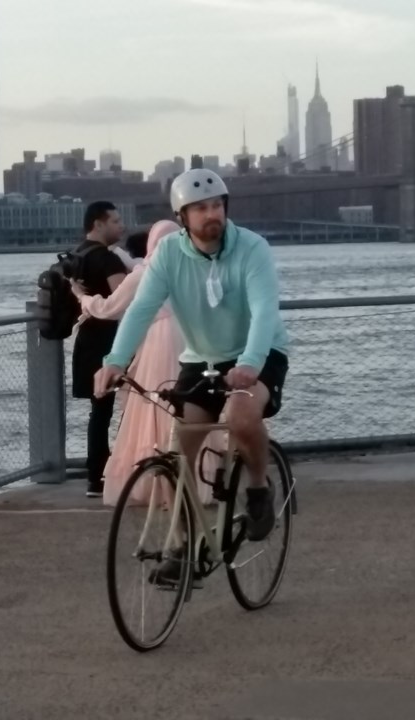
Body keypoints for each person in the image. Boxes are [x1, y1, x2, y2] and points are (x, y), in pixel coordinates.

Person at [94, 168, 290, 558]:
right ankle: (182, 547)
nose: (211, 214)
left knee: (240, 415)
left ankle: (257, 487)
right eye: (200, 208)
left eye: (217, 205)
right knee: (181, 447)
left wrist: (250, 363)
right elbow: (141, 309)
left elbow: (265, 309)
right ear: (182, 217)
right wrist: (114, 361)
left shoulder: (252, 248)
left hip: (259, 351)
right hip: (201, 358)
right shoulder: (168, 254)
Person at [72, 220, 217, 507]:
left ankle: (155, 477)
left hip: (157, 344)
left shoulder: (145, 273)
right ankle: (194, 482)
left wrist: (82, 298)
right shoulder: (192, 269)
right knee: (189, 408)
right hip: (193, 342)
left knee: (154, 404)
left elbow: (109, 309)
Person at [70, 201, 128, 498]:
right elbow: (123, 302)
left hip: (87, 338)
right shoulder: (106, 259)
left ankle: (96, 476)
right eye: (116, 221)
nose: (121, 226)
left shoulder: (78, 255)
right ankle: (117, 472)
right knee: (125, 407)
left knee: (99, 409)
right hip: (113, 340)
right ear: (98, 223)